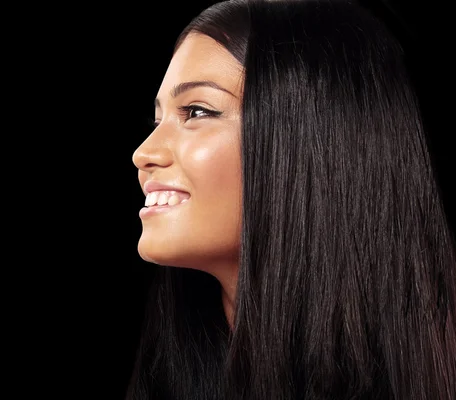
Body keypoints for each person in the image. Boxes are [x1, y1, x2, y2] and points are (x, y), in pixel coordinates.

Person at [129, 0, 456, 399]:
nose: (144, 153)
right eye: (158, 119)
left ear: (307, 142)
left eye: (196, 111)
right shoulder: (169, 374)